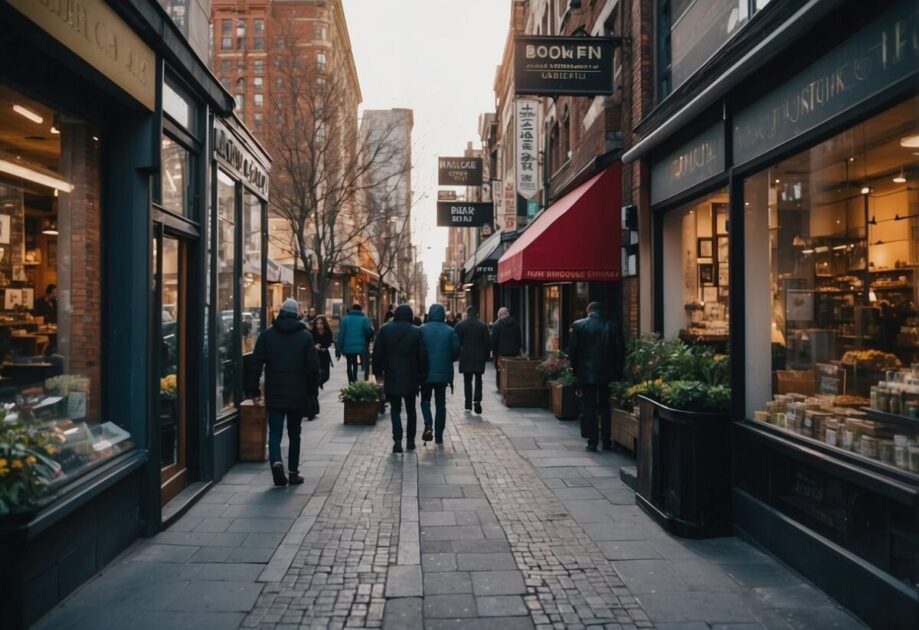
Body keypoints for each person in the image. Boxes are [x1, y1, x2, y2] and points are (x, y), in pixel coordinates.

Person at [246, 298, 319, 486]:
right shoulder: (305, 337)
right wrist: (311, 392)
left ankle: (277, 461)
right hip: (297, 393)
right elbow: (313, 368)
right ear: (296, 315)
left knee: (275, 431)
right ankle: (293, 472)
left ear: (280, 313)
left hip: (275, 392)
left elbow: (255, 363)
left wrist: (254, 390)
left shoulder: (267, 335)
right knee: (295, 433)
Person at [372, 304, 428, 453]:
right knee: (411, 410)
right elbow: (422, 356)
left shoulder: (385, 329)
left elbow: (377, 353)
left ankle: (397, 440)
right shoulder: (416, 332)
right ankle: (410, 440)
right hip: (411, 376)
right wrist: (422, 376)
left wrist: (378, 373)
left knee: (395, 409)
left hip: (392, 375)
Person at [568, 302, 621, 452]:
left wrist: (576, 371)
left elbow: (573, 351)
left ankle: (592, 441)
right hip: (607, 373)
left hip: (586, 373)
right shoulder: (612, 325)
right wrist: (618, 372)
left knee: (588, 406)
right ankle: (606, 440)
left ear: (588, 311)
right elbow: (620, 350)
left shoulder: (578, 326)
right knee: (605, 406)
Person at [419, 304, 460, 445]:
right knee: (441, 404)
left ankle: (428, 422)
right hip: (443, 373)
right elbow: (456, 351)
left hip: (425, 373)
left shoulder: (422, 330)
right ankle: (439, 436)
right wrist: (448, 360)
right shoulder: (450, 331)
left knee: (425, 400)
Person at [454, 306, 490, 414]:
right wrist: (486, 356)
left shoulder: (460, 325)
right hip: (479, 356)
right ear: (477, 314)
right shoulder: (483, 326)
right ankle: (477, 401)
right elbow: (487, 343)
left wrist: (457, 355)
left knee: (467, 380)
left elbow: (456, 342)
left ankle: (468, 403)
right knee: (478, 379)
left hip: (466, 356)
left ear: (467, 313)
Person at [337, 303, 373, 383]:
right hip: (359, 346)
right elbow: (368, 331)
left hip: (347, 345)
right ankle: (355, 378)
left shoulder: (345, 319)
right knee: (355, 363)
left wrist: (339, 347)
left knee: (349, 363)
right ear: (360, 310)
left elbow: (341, 334)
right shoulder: (364, 319)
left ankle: (350, 380)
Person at [491, 306, 523, 389]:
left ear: (499, 315)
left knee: (500, 370)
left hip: (501, 352)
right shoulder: (515, 323)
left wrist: (494, 353)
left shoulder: (497, 325)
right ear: (508, 314)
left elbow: (494, 341)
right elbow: (519, 338)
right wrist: (518, 348)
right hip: (514, 351)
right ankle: (512, 386)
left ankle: (500, 387)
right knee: (512, 370)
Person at [313, 315, 334, 389]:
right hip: (315, 356)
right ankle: (316, 385)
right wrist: (315, 347)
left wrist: (323, 348)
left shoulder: (328, 332)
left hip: (324, 356)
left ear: (324, 324)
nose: (319, 326)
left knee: (326, 376)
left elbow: (329, 343)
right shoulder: (313, 332)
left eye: (321, 323)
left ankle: (319, 383)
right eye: (317, 323)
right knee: (316, 374)